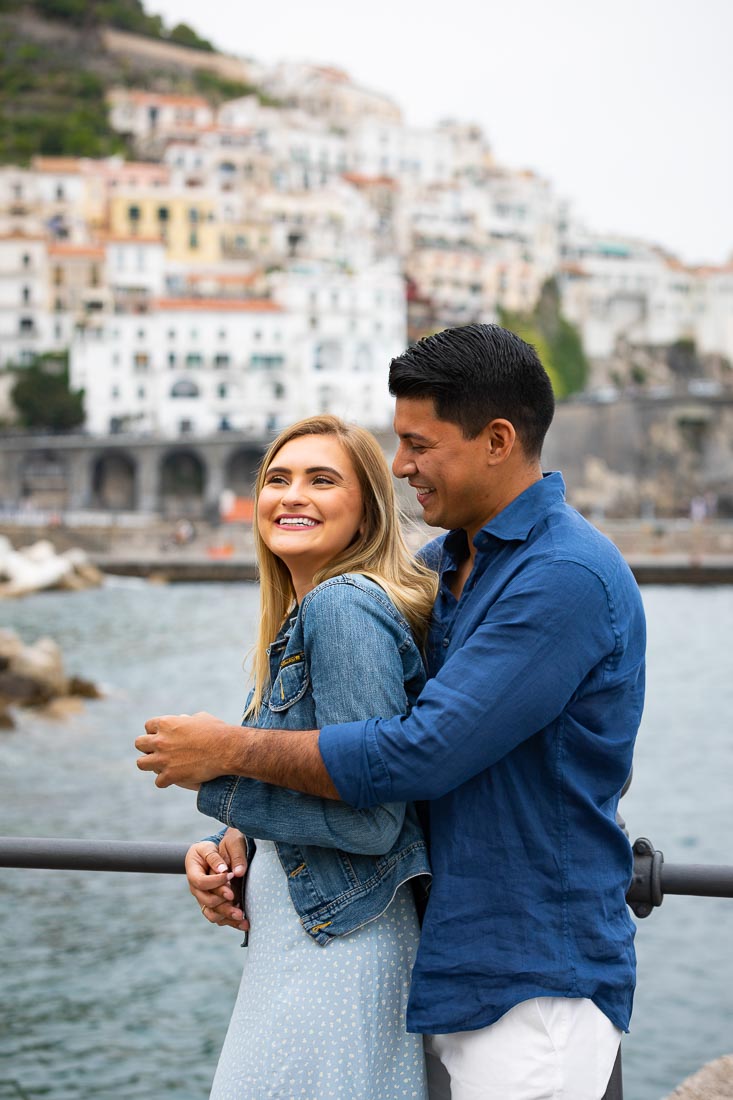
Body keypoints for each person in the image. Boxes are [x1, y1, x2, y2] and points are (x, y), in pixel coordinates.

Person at [138, 324, 647, 1100]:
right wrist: (236, 834)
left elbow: (418, 754)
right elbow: (338, 718)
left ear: (497, 440)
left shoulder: (563, 576)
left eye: (418, 443)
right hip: (442, 961)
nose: (401, 464)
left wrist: (228, 755)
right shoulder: (442, 567)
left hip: (533, 977)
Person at [156, 415, 436, 1099]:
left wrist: (217, 777)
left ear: (366, 510)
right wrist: (232, 840)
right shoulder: (310, 613)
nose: (291, 495)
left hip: (337, 952)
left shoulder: (341, 607)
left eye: (321, 479)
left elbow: (371, 818)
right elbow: (320, 779)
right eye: (276, 479)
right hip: (318, 939)